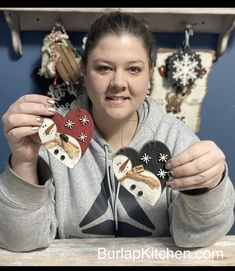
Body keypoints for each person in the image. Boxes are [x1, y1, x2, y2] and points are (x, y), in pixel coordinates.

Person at [0, 11, 234, 252]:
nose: (118, 83)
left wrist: (210, 187)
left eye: (133, 69)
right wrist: (24, 162)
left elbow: (197, 237)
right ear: (84, 69)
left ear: (150, 73)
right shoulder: (50, 139)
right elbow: (21, 241)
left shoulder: (176, 139)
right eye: (103, 68)